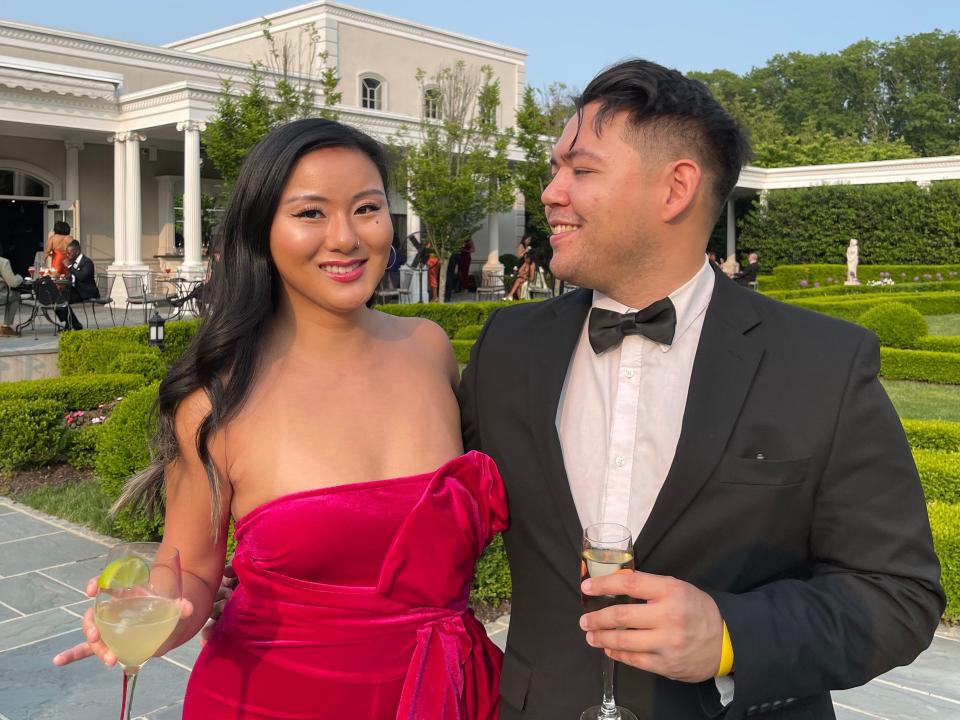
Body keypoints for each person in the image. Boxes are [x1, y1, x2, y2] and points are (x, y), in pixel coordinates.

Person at [459, 59, 943, 718]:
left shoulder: (820, 363)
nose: (550, 191)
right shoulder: (506, 352)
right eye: (555, 169)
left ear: (675, 188)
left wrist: (730, 636)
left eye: (580, 169)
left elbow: (898, 595)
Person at [53, 118, 507, 718]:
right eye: (311, 213)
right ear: (260, 229)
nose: (345, 238)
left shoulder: (429, 349)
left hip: (446, 691)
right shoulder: (216, 401)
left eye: (366, 208)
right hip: (275, 697)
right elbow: (187, 568)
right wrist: (152, 609)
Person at [55, 240, 99, 331]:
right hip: (76, 290)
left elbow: (82, 276)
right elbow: (73, 277)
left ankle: (73, 325)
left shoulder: (87, 262)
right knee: (56, 300)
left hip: (87, 291)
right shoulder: (73, 262)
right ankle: (73, 323)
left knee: (62, 302)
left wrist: (69, 267)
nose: (67, 255)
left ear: (77, 251)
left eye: (69, 253)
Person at [0, 244, 24, 336]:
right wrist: (20, 277)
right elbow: (13, 283)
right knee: (15, 295)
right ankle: (6, 327)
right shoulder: (3, 262)